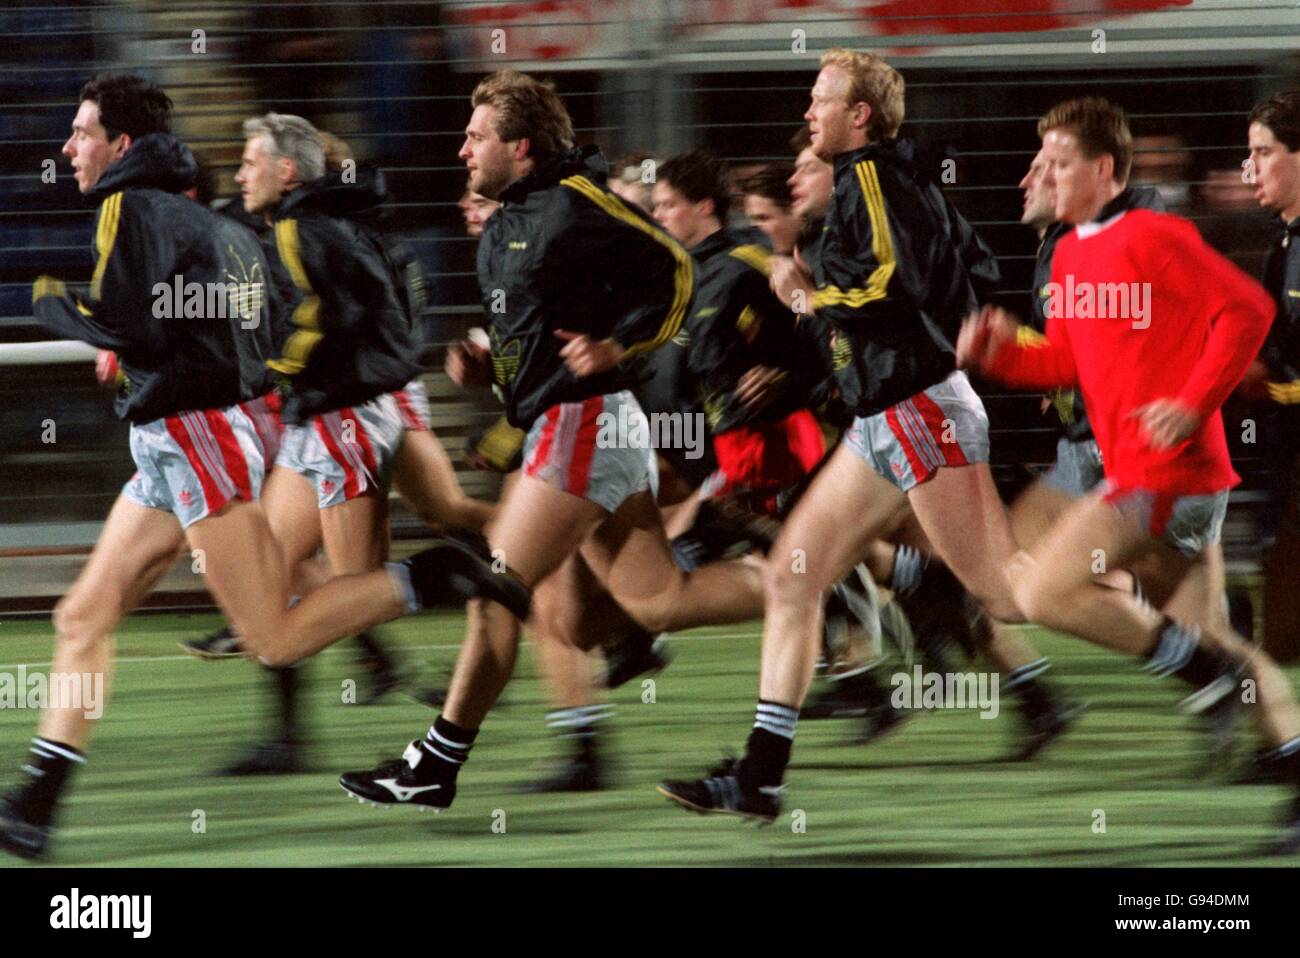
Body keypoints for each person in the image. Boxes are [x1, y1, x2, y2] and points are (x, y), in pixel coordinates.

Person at [0, 78, 525, 860]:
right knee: (83, 616)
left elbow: (135, 325)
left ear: (121, 145)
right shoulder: (212, 221)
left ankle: (436, 576)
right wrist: (150, 359)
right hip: (178, 439)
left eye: (81, 133)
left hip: (191, 440)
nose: (68, 148)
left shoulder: (129, 207)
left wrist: (52, 304)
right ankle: (36, 803)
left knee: (272, 636)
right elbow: (225, 329)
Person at [657, 49, 1074, 821]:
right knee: (792, 575)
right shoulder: (867, 183)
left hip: (917, 411)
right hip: (885, 416)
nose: (809, 112)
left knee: (1010, 592)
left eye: (822, 100)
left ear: (861, 117)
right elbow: (955, 267)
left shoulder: (875, 177)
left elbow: (888, 279)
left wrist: (810, 295)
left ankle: (1157, 610)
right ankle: (760, 777)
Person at [337, 69, 770, 811]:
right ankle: (800, 583)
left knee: (496, 590)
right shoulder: (507, 220)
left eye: (477, 137)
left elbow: (674, 273)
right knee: (658, 600)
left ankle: (434, 765)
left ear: (523, 146)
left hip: (585, 424)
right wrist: (488, 373)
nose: (462, 150)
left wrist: (619, 346)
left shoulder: (573, 204)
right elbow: (531, 339)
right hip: (579, 425)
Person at [958, 96, 1300, 852]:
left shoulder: (1154, 234)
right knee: (1219, 642)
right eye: (1041, 161)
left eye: (1059, 162)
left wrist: (1189, 401)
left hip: (1168, 472)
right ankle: (1281, 750)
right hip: (1154, 476)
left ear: (1104, 170)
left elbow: (1247, 311)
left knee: (1040, 589)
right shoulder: (1074, 253)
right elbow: (1070, 363)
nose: (1043, 172)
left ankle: (1196, 671)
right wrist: (1002, 353)